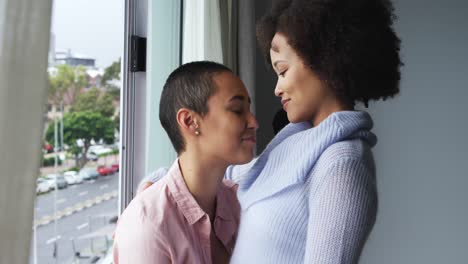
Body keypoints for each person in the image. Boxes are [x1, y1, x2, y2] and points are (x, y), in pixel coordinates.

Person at [141, 0, 402, 263]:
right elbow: (224, 175)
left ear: (325, 63)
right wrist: (158, 184)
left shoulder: (343, 164)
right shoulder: (294, 143)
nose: (277, 89)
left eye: (283, 71)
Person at [113, 61, 258, 264]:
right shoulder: (147, 225)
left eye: (249, 109)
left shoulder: (239, 203)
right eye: (237, 109)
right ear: (190, 121)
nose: (253, 122)